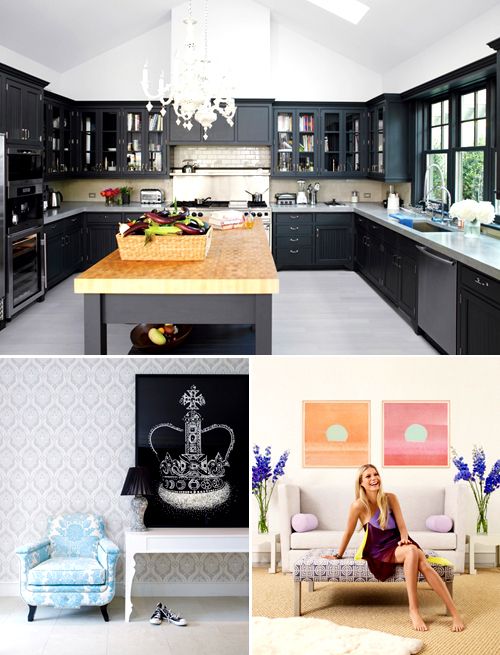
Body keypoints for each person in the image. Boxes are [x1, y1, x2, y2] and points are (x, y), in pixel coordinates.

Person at [323, 463, 464, 632]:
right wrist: (339, 555)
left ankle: (454, 614)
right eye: (368, 476)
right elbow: (348, 532)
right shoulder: (358, 506)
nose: (374, 478)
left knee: (422, 562)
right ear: (361, 482)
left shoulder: (391, 498)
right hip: (378, 548)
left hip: (398, 541)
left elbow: (403, 527)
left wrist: (404, 540)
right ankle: (414, 610)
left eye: (376, 474)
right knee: (413, 553)